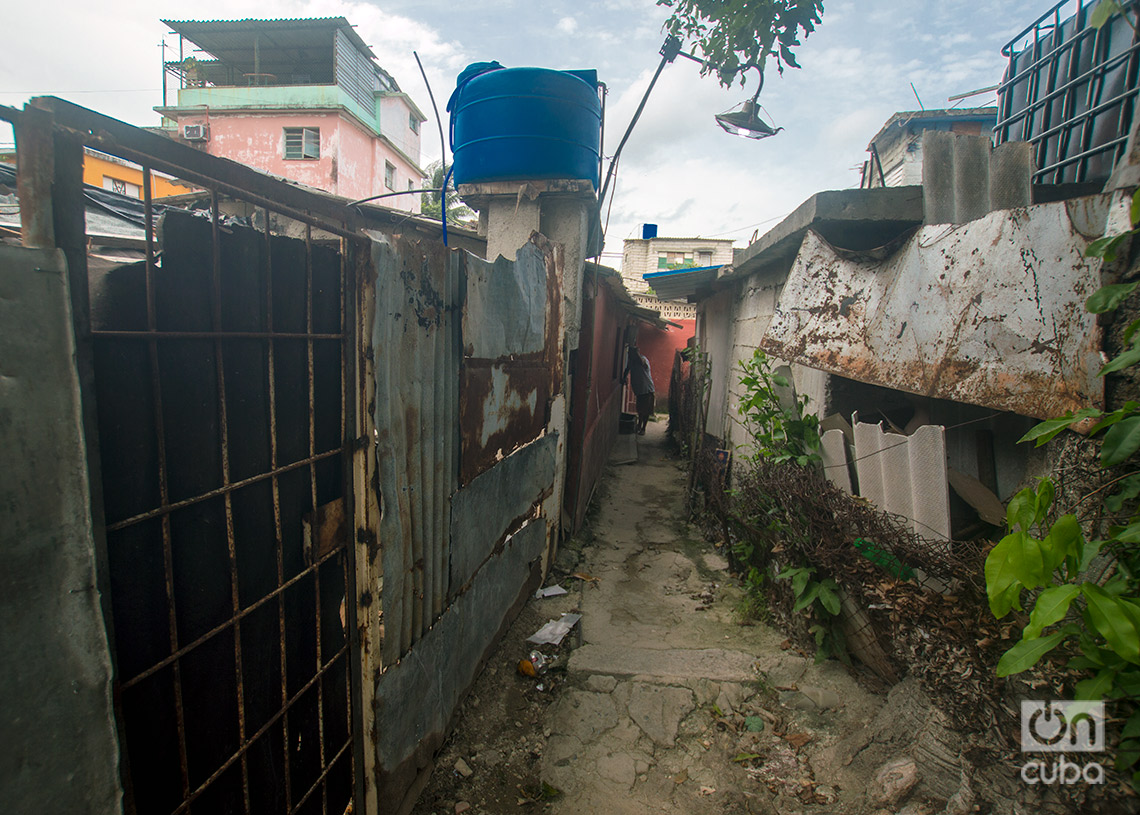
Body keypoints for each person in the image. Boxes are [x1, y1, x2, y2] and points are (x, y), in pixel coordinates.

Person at [624, 344, 655, 435]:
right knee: (640, 410)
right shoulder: (632, 362)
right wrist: (623, 377)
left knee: (646, 411)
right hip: (639, 390)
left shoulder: (643, 359)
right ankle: (639, 425)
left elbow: (642, 364)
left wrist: (636, 353)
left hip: (647, 389)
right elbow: (627, 369)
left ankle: (643, 428)